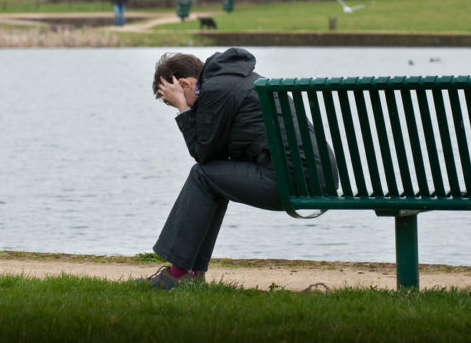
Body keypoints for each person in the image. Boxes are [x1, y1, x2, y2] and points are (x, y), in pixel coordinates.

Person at [143, 47, 336, 290]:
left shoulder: (215, 90)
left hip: (293, 181)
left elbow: (202, 154)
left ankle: (178, 274)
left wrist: (183, 108)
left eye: (175, 99)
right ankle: (192, 272)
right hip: (317, 178)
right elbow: (215, 155)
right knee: (213, 179)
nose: (191, 108)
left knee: (202, 176)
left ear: (184, 84)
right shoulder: (238, 80)